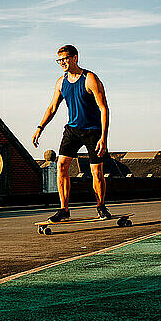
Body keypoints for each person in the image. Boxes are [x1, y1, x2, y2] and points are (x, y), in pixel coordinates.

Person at [32, 44, 112, 221]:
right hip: (72, 130)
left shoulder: (90, 79)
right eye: (59, 60)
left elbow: (103, 108)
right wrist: (40, 128)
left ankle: (101, 207)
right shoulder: (61, 82)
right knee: (61, 166)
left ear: (75, 58)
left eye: (65, 59)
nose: (62, 63)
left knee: (96, 172)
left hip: (93, 131)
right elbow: (52, 107)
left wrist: (104, 138)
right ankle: (64, 210)